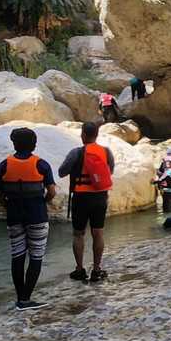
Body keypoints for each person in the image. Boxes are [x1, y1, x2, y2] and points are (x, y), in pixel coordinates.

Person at [0, 127, 56, 310]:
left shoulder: (4, 164)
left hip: (14, 215)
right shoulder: (41, 164)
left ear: (14, 144)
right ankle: (26, 299)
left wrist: (9, 206)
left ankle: (20, 297)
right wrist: (43, 203)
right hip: (37, 214)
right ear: (34, 144)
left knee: (17, 254)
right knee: (36, 255)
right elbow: (51, 192)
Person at [59, 121, 115, 282]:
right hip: (100, 196)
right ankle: (96, 270)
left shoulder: (76, 153)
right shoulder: (105, 152)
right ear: (96, 135)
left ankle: (80, 269)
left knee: (78, 234)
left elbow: (62, 172)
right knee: (98, 233)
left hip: (81, 197)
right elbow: (109, 171)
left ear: (83, 135)